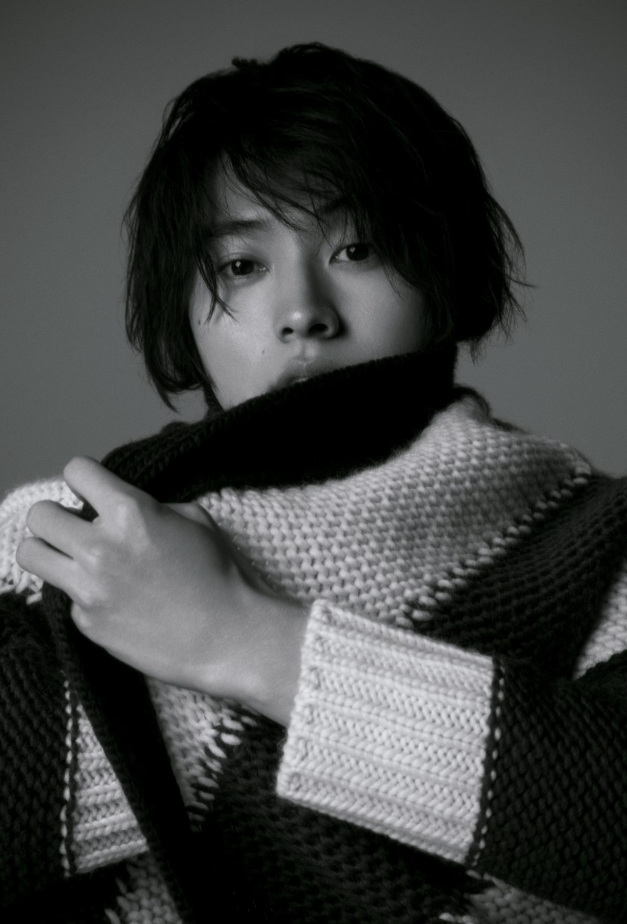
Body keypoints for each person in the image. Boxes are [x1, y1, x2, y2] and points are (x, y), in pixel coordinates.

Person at [1, 41, 625, 924]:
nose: (303, 312)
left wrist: (239, 640)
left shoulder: (600, 542)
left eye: (357, 248)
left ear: (443, 271)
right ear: (182, 309)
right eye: (241, 266)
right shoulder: (59, 543)